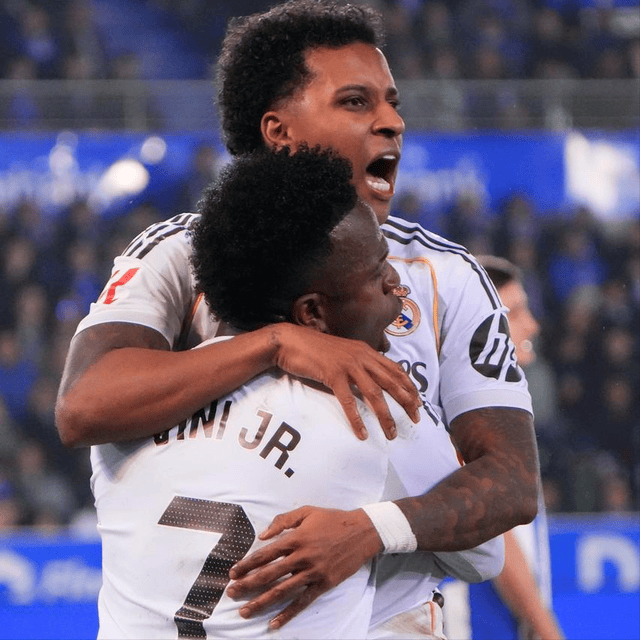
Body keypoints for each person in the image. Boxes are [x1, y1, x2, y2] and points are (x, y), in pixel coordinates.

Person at [56, 0, 539, 633]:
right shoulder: (178, 252)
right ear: (278, 132)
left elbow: (511, 482)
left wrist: (369, 530)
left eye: (392, 102)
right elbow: (84, 405)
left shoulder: (447, 274)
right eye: (356, 102)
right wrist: (275, 344)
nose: (392, 122)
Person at [92, 146, 502, 638]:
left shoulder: (128, 413)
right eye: (377, 272)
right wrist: (373, 530)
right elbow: (485, 556)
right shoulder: (373, 408)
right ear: (311, 313)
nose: (396, 282)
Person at [441, 255, 565, 640]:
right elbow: (497, 536)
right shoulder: (468, 414)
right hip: (476, 623)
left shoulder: (491, 407)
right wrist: (545, 628)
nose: (532, 325)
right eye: (516, 312)